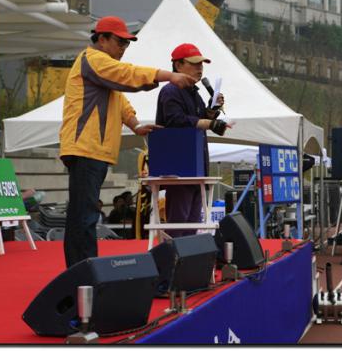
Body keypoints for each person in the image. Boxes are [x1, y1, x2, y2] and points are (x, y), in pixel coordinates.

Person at [59, 16, 196, 267]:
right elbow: (127, 74)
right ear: (102, 39)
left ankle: (82, 271)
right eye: (120, 41)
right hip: (86, 148)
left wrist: (136, 125)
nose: (124, 47)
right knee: (84, 216)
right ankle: (83, 272)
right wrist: (168, 75)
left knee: (84, 214)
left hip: (92, 150)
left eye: (127, 43)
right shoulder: (94, 59)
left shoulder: (101, 67)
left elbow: (120, 101)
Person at [155, 43, 230, 237]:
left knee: (191, 224)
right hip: (179, 169)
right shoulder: (170, 91)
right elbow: (176, 121)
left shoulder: (193, 93)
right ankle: (174, 255)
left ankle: (186, 254)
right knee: (179, 224)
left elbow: (199, 118)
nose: (200, 68)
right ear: (178, 65)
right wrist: (208, 122)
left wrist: (211, 110)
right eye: (195, 63)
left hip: (195, 168)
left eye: (201, 64)